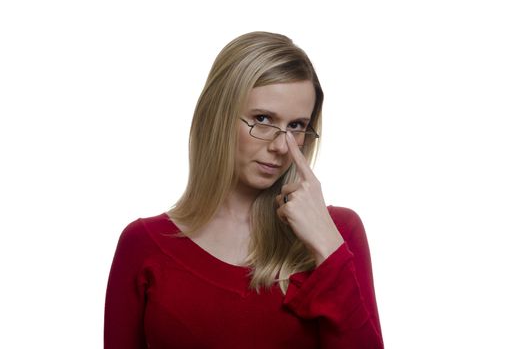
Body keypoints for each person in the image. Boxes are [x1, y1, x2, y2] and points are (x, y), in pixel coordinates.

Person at [104, 31, 384, 349]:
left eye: (297, 126)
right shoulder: (143, 246)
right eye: (262, 119)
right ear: (217, 117)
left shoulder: (339, 233)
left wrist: (328, 246)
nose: (281, 146)